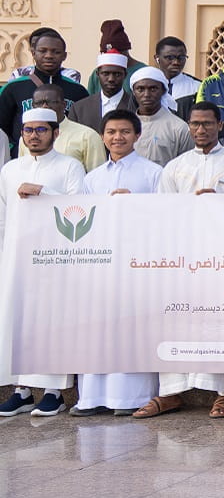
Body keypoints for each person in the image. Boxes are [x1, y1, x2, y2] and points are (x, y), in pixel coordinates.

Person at [130, 101, 224, 419]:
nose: (201, 129)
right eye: (195, 124)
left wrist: (220, 205)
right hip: (185, 256)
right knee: (176, 320)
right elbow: (163, 213)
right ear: (188, 126)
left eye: (207, 124)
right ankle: (171, 393)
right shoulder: (175, 167)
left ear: (219, 125)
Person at [68, 109, 164, 417]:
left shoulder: (153, 173)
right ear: (102, 136)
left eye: (124, 132)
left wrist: (135, 207)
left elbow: (164, 218)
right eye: (111, 132)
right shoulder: (92, 178)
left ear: (137, 135)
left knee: (131, 328)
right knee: (96, 329)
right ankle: (92, 398)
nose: (117, 137)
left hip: (138, 264)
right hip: (101, 265)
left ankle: (130, 398)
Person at [0, 107, 88, 418]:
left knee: (52, 320)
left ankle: (53, 391)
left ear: (55, 133)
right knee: (17, 319)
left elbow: (83, 207)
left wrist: (45, 192)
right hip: (16, 255)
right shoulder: (10, 169)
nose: (34, 136)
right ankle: (22, 390)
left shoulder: (70, 167)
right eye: (28, 130)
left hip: (55, 257)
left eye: (41, 130)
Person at [1, 28, 87, 148]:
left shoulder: (78, 91)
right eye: (43, 51)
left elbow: (84, 128)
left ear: (64, 55)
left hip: (66, 156)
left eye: (56, 52)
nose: (49, 56)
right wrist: (13, 149)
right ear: (33, 53)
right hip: (25, 157)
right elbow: (2, 127)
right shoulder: (13, 88)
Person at [129, 66, 192, 165]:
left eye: (153, 89)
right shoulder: (125, 127)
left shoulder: (179, 128)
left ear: (163, 90)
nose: (146, 94)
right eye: (140, 89)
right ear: (133, 92)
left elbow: (186, 167)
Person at [34, 87, 105, 171]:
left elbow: (97, 177)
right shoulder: (28, 138)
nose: (44, 106)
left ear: (64, 105)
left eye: (51, 102)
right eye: (39, 103)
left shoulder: (88, 136)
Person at [67, 52, 129, 134]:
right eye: (106, 74)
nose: (111, 79)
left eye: (117, 74)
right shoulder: (79, 108)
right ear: (97, 74)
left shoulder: (136, 106)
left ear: (125, 75)